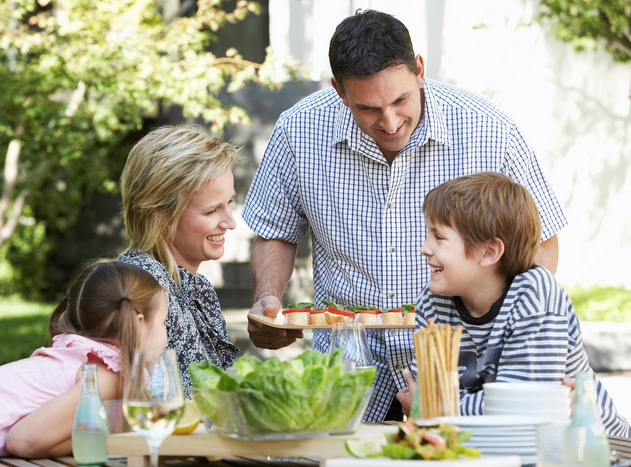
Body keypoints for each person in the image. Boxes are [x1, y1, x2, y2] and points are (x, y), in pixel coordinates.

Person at [241, 9, 568, 422]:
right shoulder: (298, 130)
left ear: (418, 71)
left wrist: (510, 335)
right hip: (350, 376)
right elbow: (276, 231)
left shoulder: (490, 129)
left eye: (400, 100)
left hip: (462, 376)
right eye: (368, 109)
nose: (391, 121)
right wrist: (267, 299)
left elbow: (541, 243)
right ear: (339, 92)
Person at [394, 172, 629, 437]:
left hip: (593, 449)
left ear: (489, 252)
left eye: (439, 237)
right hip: (483, 446)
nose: (424, 248)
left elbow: (521, 411)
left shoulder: (534, 292)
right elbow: (422, 394)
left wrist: (435, 408)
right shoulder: (433, 300)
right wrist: (432, 406)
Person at [0, 260, 168, 462]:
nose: (166, 336)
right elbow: (23, 440)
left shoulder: (81, 356)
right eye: (163, 323)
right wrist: (103, 441)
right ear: (138, 322)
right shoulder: (105, 375)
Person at [118, 124, 240, 395]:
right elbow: (146, 404)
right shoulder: (139, 286)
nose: (230, 222)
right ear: (162, 215)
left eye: (229, 203)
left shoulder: (199, 287)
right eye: (212, 211)